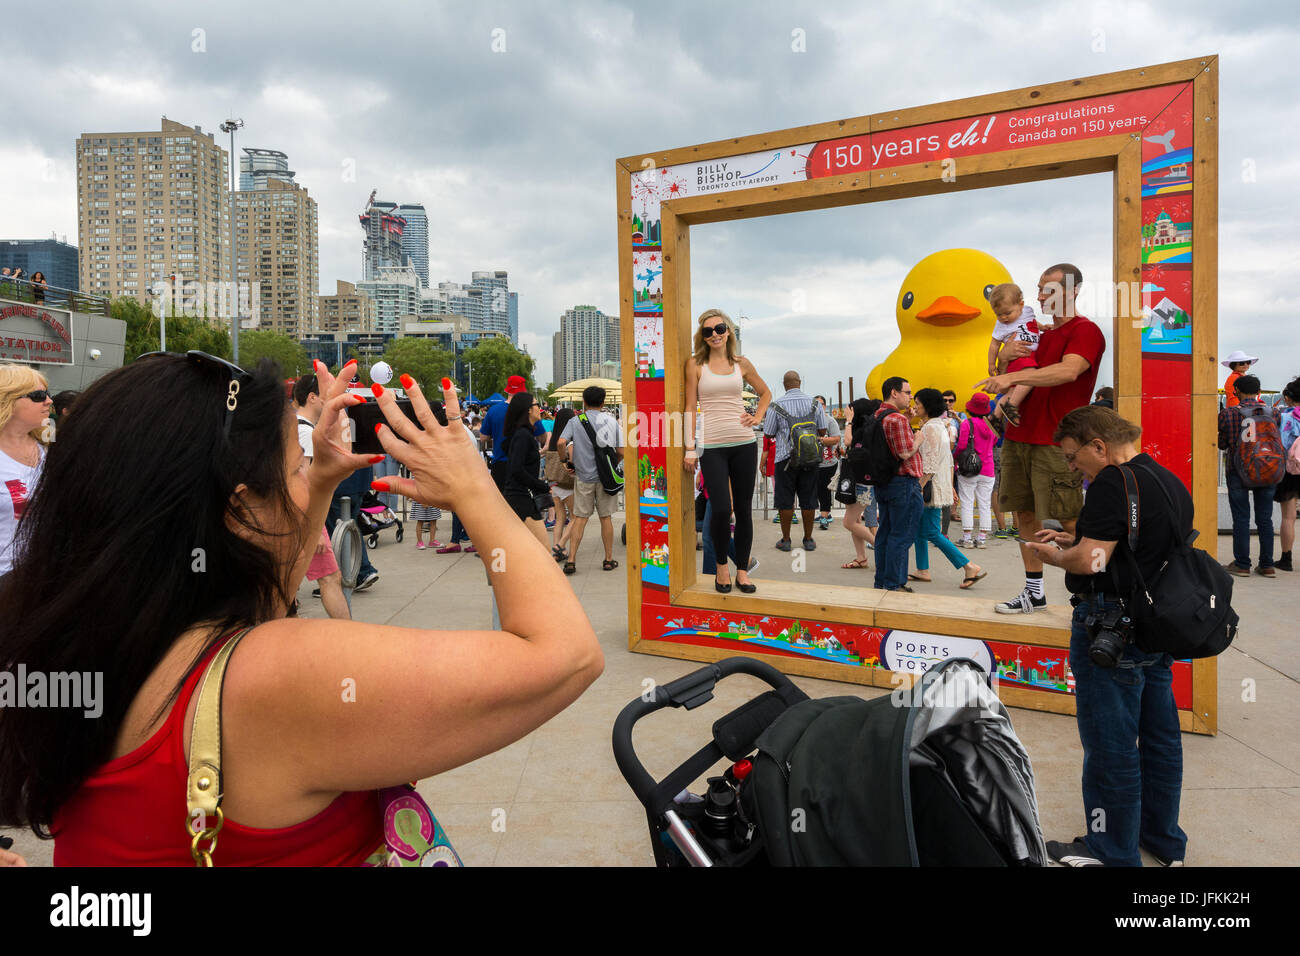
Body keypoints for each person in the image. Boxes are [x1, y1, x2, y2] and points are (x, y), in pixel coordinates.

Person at [0, 357, 603, 864]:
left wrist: (312, 486)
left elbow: (258, 605)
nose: (309, 474)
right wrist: (475, 489)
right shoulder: (282, 680)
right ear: (238, 509)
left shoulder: (73, 631)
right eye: (295, 465)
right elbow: (564, 656)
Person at [1024, 406, 1189, 867]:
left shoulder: (1112, 484)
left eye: (1075, 458)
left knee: (1110, 745)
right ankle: (1163, 839)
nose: (1072, 468)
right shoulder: (1167, 479)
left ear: (1099, 446)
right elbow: (1133, 550)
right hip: (1156, 626)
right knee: (1160, 739)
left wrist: (1053, 556)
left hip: (1109, 625)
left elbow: (1092, 562)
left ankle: (1110, 850)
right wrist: (1073, 544)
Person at [976, 263, 1106, 614]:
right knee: (1025, 514)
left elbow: (1070, 370)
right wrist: (1003, 362)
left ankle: (1101, 590)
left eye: (1049, 290)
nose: (1041, 296)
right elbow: (1009, 371)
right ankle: (1034, 591)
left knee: (1068, 517)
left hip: (1057, 442)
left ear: (1073, 291)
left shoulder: (1086, 330)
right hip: (1020, 436)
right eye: (1039, 289)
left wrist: (1007, 381)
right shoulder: (1038, 334)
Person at [683, 309, 770, 593]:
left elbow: (765, 393)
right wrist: (689, 448)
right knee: (720, 509)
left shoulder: (741, 363)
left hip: (744, 443)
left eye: (719, 328)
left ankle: (742, 571)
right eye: (708, 331)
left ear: (728, 331)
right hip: (712, 447)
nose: (715, 335)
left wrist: (757, 417)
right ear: (703, 337)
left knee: (743, 511)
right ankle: (721, 567)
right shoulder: (695, 365)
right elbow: (688, 408)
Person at [909, 388, 985, 588]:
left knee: (932, 532)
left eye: (917, 402)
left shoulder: (930, 428)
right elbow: (948, 460)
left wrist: (919, 487)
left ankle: (968, 566)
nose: (915, 406)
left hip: (930, 487)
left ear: (926, 406)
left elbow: (931, 463)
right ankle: (922, 569)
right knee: (920, 529)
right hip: (939, 484)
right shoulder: (940, 426)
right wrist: (951, 486)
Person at [292, 374, 352, 620]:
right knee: (330, 578)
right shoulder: (305, 433)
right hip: (306, 517)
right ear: (312, 397)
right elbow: (300, 480)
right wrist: (313, 528)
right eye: (324, 394)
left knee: (288, 582)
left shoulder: (294, 427)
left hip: (297, 515)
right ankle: (348, 636)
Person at [1218, 374, 1281, 577]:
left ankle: (1242, 564)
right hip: (1268, 468)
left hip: (1238, 471)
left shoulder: (1228, 413)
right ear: (1258, 391)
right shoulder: (1275, 413)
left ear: (1236, 391)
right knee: (1265, 518)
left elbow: (1222, 444)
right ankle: (1267, 565)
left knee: (1241, 518)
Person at [324, 361, 379, 593]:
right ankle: (358, 571)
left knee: (338, 528)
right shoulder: (361, 414)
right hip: (359, 480)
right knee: (350, 524)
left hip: (342, 482)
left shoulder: (333, 414)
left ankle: (356, 572)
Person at [558, 384, 624, 575]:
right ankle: (608, 559)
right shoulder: (612, 422)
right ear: (603, 402)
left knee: (580, 518)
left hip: (583, 477)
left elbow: (561, 442)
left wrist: (565, 461)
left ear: (584, 402)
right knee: (606, 518)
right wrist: (611, 463)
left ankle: (571, 560)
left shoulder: (576, 421)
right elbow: (621, 451)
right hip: (606, 479)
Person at [762, 371, 830, 555]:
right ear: (800, 383)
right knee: (809, 499)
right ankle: (808, 539)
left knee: (785, 501)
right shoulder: (815, 404)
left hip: (785, 459)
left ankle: (785, 540)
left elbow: (768, 433)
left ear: (784, 385)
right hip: (810, 458)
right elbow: (823, 431)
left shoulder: (776, 406)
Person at [872, 376, 924, 593]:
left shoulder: (878, 415)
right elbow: (904, 452)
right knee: (901, 535)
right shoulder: (898, 421)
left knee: (885, 531)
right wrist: (918, 438)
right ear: (895, 393)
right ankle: (895, 582)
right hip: (904, 482)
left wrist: (907, 419)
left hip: (884, 481)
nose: (910, 397)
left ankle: (882, 580)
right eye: (908, 392)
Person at [0, 365, 51, 578]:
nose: (49, 400)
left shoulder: (49, 448)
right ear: (7, 401)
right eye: (38, 395)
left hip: (42, 574)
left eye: (48, 394)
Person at [986, 283, 1041, 429]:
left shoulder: (1028, 311)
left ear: (1021, 305)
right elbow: (994, 345)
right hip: (1018, 357)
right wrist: (992, 364)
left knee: (1013, 390)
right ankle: (1011, 406)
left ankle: (994, 418)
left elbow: (1031, 322)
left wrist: (1042, 327)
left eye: (1007, 313)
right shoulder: (1001, 325)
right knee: (1031, 376)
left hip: (1029, 356)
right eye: (999, 314)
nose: (1003, 317)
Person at [501, 392, 552, 550]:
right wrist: (541, 485)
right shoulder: (523, 435)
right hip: (520, 499)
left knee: (524, 549)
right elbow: (517, 469)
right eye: (537, 405)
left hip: (521, 497)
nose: (540, 408)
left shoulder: (524, 433)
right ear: (528, 409)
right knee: (544, 549)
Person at [838, 398, 879, 571]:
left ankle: (880, 547)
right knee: (854, 520)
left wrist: (848, 421)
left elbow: (848, 441)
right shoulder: (864, 428)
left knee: (848, 522)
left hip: (864, 483)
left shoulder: (865, 429)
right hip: (858, 480)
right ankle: (861, 557)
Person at [954, 392, 999, 548]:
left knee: (966, 502)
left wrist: (955, 457)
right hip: (988, 469)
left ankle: (967, 539)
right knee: (985, 504)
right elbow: (994, 443)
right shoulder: (991, 425)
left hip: (969, 468)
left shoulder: (967, 424)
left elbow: (960, 446)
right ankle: (981, 539)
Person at [482, 375, 529, 492]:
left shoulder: (493, 410)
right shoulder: (528, 411)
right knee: (519, 501)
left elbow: (483, 437)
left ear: (507, 390)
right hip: (523, 464)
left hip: (499, 463)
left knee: (499, 503)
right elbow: (542, 436)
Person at [1273, 376, 1300, 572]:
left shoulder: (1286, 417)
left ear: (1289, 398)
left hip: (1290, 470)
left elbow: (1281, 444)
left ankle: (1286, 559)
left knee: (1288, 517)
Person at [544, 407, 577, 561]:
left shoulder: (552, 442)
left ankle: (556, 548)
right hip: (567, 485)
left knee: (560, 518)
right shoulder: (567, 441)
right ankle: (561, 546)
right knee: (576, 517)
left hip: (554, 484)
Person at [814, 395, 841, 530]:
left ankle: (824, 517)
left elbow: (836, 438)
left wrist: (820, 440)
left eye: (821, 404)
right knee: (817, 490)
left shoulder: (830, 421)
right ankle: (824, 513)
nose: (819, 406)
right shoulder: (810, 421)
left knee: (824, 490)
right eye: (816, 404)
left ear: (825, 406)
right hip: (814, 462)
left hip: (828, 462)